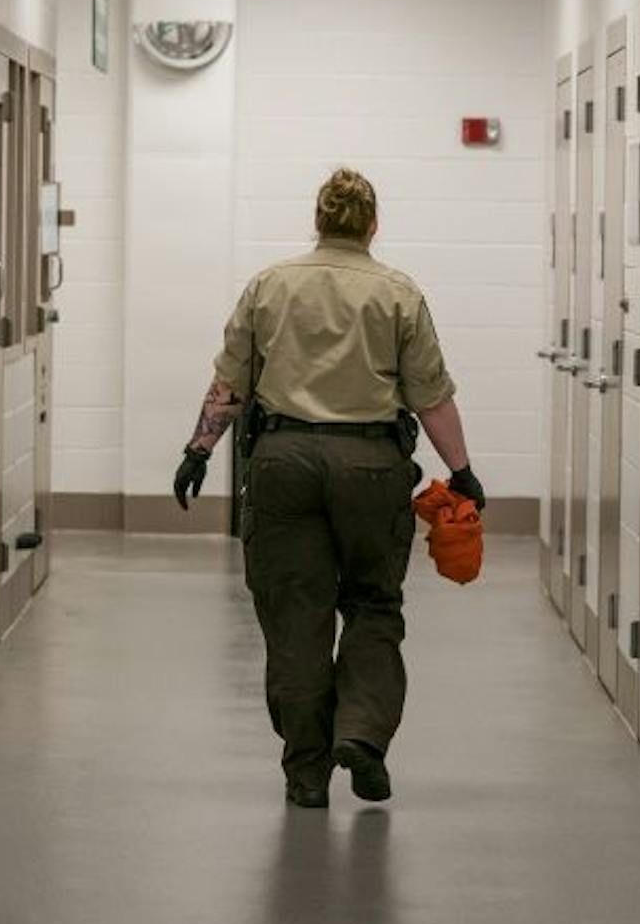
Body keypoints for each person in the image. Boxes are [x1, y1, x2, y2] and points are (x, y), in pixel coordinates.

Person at [174, 167, 487, 809]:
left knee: (297, 616)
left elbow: (229, 384)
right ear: (373, 225)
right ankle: (363, 736)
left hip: (283, 463)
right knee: (374, 603)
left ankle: (307, 774)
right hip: (371, 464)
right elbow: (431, 395)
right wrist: (460, 470)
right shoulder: (399, 293)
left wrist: (198, 450)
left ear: (317, 222)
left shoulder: (269, 286)